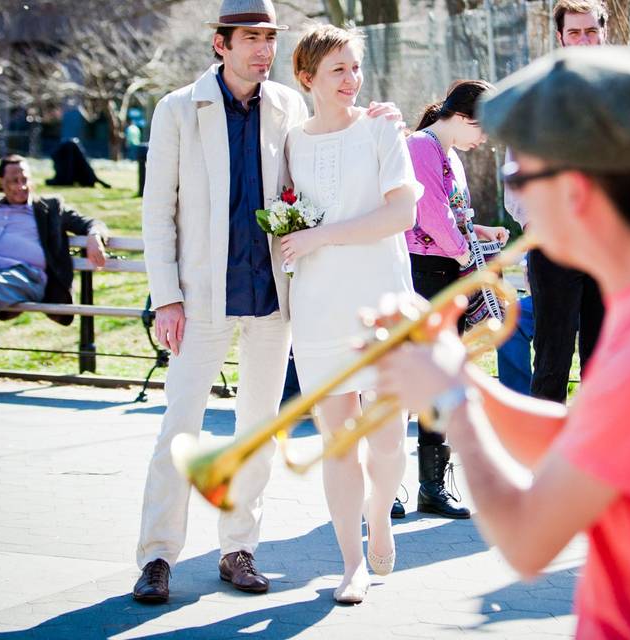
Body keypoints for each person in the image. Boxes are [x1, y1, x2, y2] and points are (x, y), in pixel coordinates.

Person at [376, 46, 630, 638]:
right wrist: (456, 373)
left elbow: (526, 539)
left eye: (522, 175)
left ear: (576, 187)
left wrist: (454, 406)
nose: (515, 194)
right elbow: (580, 443)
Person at [135, 0, 401, 604]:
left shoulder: (285, 105)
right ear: (220, 44)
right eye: (249, 37)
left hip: (275, 297)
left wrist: (384, 116)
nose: (262, 49)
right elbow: (158, 212)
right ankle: (156, 556)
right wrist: (166, 298)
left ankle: (238, 549)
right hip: (200, 298)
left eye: (269, 38)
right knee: (181, 426)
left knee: (257, 429)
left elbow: (336, 135)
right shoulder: (178, 110)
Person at [282, 24, 422, 604]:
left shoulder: (381, 128)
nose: (351, 80)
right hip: (318, 307)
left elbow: (402, 217)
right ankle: (349, 562)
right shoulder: (289, 141)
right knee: (339, 442)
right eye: (337, 70)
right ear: (307, 77)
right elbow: (283, 214)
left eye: (355, 68)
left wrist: (324, 237)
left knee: (387, 439)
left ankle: (381, 517)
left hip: (381, 303)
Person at [396, 79, 509, 520]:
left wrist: (480, 234)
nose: (483, 139)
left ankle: (432, 486)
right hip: (424, 274)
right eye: (482, 128)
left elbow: (455, 218)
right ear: (463, 117)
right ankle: (386, 486)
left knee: (440, 381)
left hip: (446, 272)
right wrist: (469, 256)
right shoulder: (422, 147)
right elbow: (430, 216)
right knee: (412, 378)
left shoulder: (449, 156)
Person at [505, 0, 607, 403]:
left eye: (591, 31)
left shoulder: (622, 93)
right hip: (555, 244)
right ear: (561, 37)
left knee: (604, 357)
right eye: (575, 32)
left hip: (608, 246)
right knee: (552, 356)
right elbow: (517, 174)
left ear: (604, 32)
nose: (583, 40)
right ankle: (545, 460)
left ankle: (598, 458)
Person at [0, 154, 107, 398]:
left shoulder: (50, 207)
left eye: (24, 179)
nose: (21, 186)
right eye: (13, 180)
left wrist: (94, 237)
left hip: (26, 277)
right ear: (0, 183)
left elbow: (90, 222)